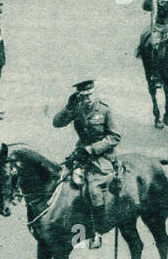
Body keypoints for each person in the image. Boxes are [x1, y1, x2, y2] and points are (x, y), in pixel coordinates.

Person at [51, 79, 120, 250]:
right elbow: (57, 123)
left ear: (94, 92)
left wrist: (91, 149)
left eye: (89, 95)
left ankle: (98, 231)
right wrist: (68, 108)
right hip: (80, 154)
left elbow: (114, 137)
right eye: (83, 96)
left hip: (102, 157)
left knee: (93, 189)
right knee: (66, 184)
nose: (87, 98)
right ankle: (77, 232)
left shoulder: (105, 110)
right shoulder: (78, 108)